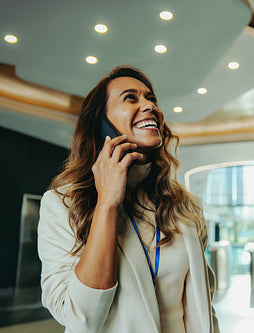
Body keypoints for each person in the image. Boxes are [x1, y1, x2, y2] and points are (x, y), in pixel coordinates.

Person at [37, 65, 219, 333]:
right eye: (131, 98)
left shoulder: (186, 206)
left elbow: (204, 304)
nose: (149, 106)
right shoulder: (61, 204)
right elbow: (78, 317)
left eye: (151, 98)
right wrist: (107, 203)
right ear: (102, 123)